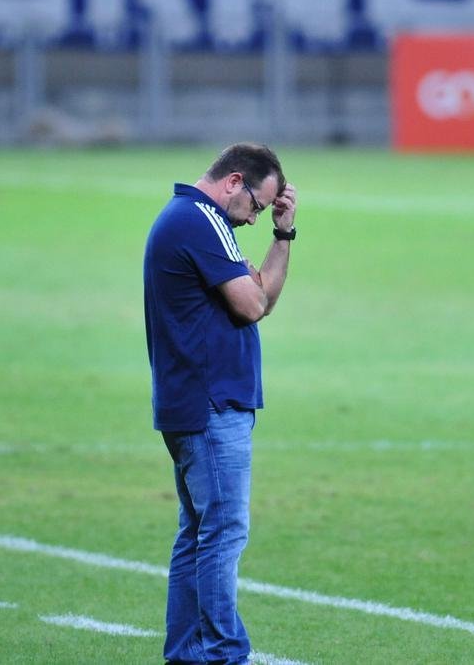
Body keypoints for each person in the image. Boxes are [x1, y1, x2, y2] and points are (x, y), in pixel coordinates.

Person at [143, 143, 297, 665]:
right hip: (209, 404)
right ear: (234, 181)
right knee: (224, 532)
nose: (254, 218)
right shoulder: (199, 220)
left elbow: (262, 301)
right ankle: (226, 654)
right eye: (256, 206)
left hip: (195, 401)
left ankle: (189, 654)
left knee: (199, 533)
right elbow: (253, 304)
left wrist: (283, 235)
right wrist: (252, 287)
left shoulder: (197, 220)